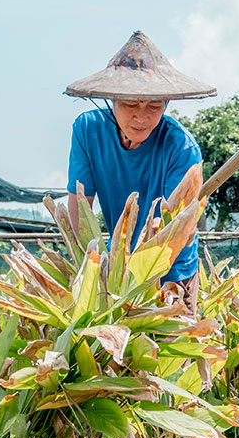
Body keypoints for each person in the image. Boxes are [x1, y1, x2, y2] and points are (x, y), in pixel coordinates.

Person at [65, 31, 216, 313]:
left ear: (166, 105)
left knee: (170, 349)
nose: (141, 117)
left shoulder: (182, 149)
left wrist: (137, 281)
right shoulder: (87, 130)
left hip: (170, 272)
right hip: (116, 272)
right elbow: (80, 207)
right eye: (131, 104)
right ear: (112, 100)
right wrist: (83, 267)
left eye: (154, 106)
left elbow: (174, 230)